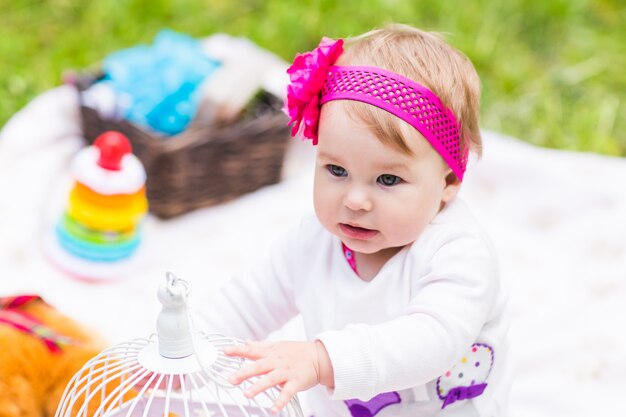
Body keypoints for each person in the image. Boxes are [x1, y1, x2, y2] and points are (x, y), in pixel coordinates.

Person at [198, 24, 509, 417]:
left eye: (388, 179)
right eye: (337, 170)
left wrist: (320, 360)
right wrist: (190, 348)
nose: (356, 200)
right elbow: (247, 303)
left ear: (447, 181)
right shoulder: (314, 242)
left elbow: (432, 341)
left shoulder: (458, 253)